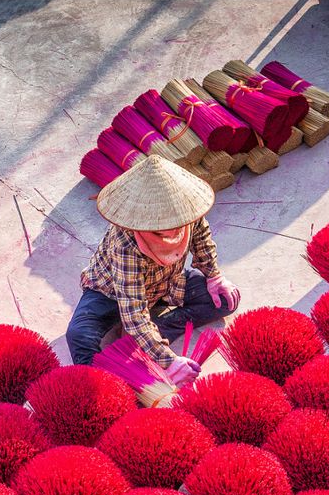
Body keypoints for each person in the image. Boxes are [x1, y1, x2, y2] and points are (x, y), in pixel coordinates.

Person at [66, 156, 242, 381]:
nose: (171, 230)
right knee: (79, 337)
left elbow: (202, 241)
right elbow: (133, 311)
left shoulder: (186, 210)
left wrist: (214, 276)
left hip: (169, 283)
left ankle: (155, 329)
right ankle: (138, 344)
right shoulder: (125, 242)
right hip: (112, 294)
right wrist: (168, 361)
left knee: (225, 299)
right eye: (160, 227)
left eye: (175, 222)